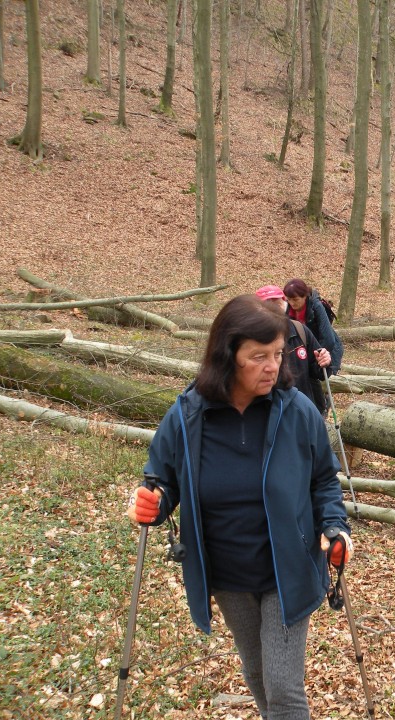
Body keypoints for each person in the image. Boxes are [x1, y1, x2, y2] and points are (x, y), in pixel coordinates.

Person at [126, 294, 353, 720]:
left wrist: (335, 525)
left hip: (287, 568)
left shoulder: (297, 410)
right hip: (227, 572)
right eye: (259, 357)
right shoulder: (188, 414)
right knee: (258, 675)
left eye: (279, 354)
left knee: (284, 690)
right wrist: (152, 503)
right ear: (228, 355)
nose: (275, 367)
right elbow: (163, 479)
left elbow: (324, 478)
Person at [256, 285, 332, 415]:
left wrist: (324, 361)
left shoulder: (300, 331)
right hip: (269, 413)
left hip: (304, 410)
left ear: (284, 303)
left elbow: (319, 372)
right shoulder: (252, 339)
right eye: (267, 304)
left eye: (277, 303)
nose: (273, 308)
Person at [282, 279, 344, 377]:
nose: (292, 303)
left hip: (326, 351)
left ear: (305, 297)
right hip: (303, 352)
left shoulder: (316, 306)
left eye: (295, 300)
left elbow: (328, 339)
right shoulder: (288, 309)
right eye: (289, 299)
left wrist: (316, 359)